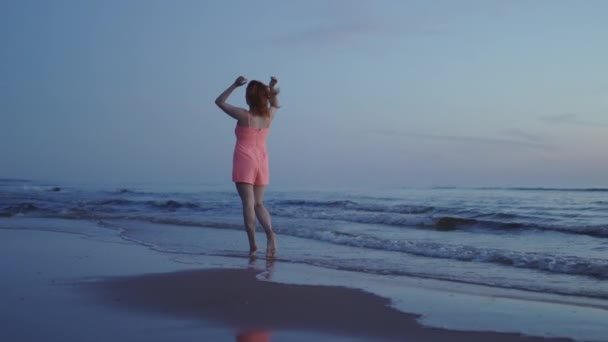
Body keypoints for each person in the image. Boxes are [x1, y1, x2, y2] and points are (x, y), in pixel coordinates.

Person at [215, 76, 280, 258]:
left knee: (248, 204)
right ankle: (270, 234)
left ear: (249, 97)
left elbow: (219, 102)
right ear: (263, 97)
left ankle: (252, 245)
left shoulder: (244, 115)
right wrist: (273, 88)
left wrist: (234, 85)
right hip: (262, 161)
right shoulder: (269, 117)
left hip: (245, 160)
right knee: (259, 203)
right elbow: (276, 104)